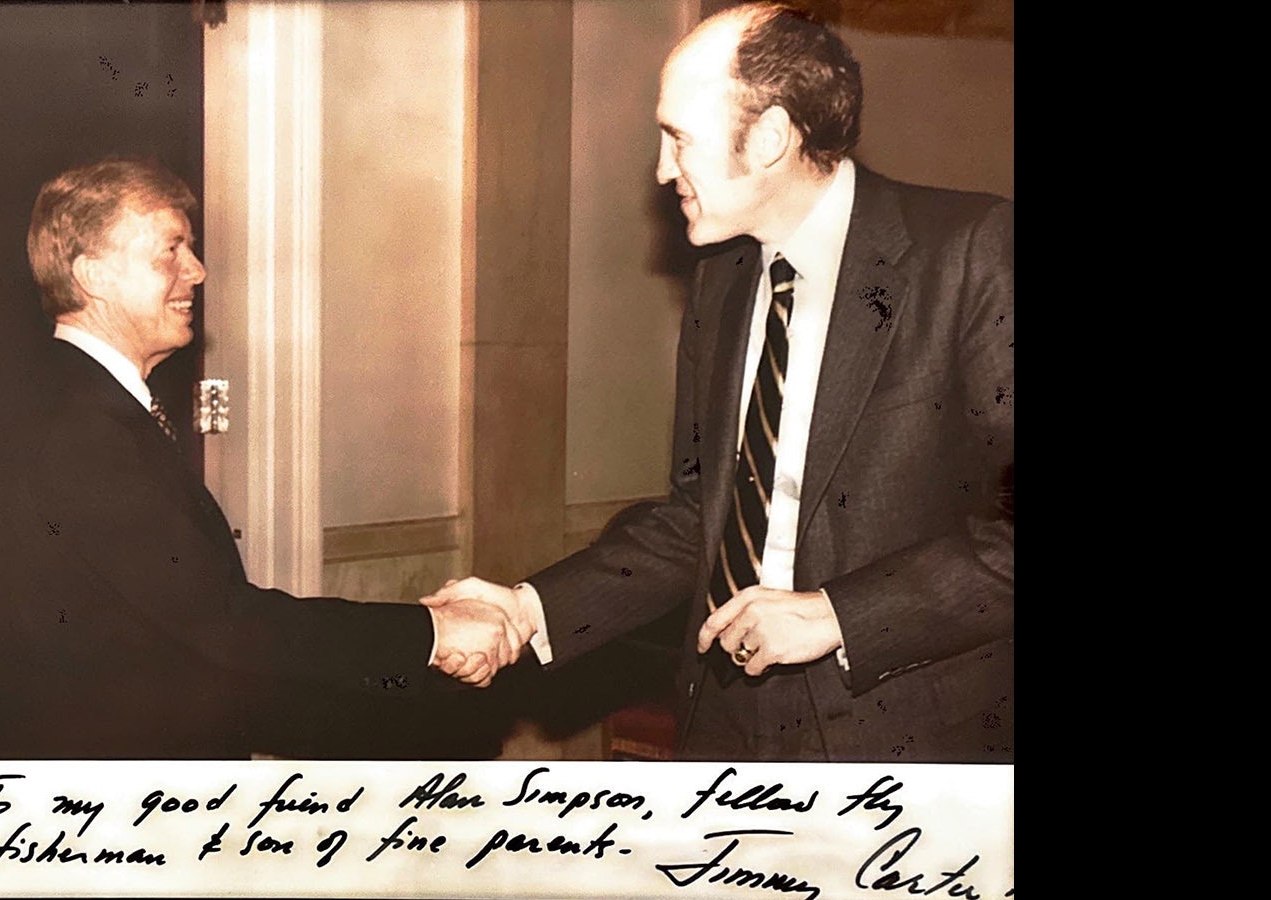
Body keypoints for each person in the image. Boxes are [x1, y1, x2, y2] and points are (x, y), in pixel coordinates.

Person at [423, 1, 1013, 763]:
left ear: (769, 137)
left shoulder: (969, 253)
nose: (663, 170)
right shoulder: (721, 284)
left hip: (909, 739)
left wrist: (838, 615)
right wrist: (529, 608)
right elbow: (697, 518)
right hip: (725, 726)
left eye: (678, 139)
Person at [0, 156, 520, 759]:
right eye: (171, 251)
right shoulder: (83, 430)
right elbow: (219, 625)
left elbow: (177, 639)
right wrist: (431, 631)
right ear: (93, 274)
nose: (198, 270)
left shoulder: (73, 403)